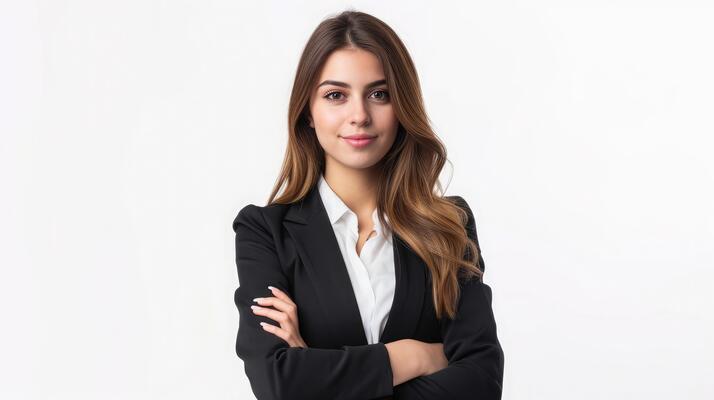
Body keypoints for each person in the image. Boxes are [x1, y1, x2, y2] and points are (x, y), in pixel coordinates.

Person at [232, 10, 504, 400]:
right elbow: (278, 383)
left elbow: (481, 383)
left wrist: (316, 367)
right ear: (308, 111)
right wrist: (413, 356)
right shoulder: (265, 233)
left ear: (402, 106)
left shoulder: (449, 225)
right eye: (335, 95)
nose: (359, 116)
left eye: (379, 94)